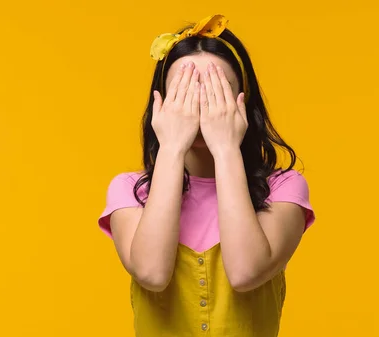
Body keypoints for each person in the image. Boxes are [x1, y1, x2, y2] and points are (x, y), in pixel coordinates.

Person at [98, 14, 316, 337]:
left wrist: (226, 148)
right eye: (184, 93)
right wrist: (172, 147)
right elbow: (152, 273)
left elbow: (245, 272)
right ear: (160, 105)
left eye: (217, 93)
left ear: (244, 102)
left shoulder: (284, 189)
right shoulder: (130, 192)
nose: (200, 108)